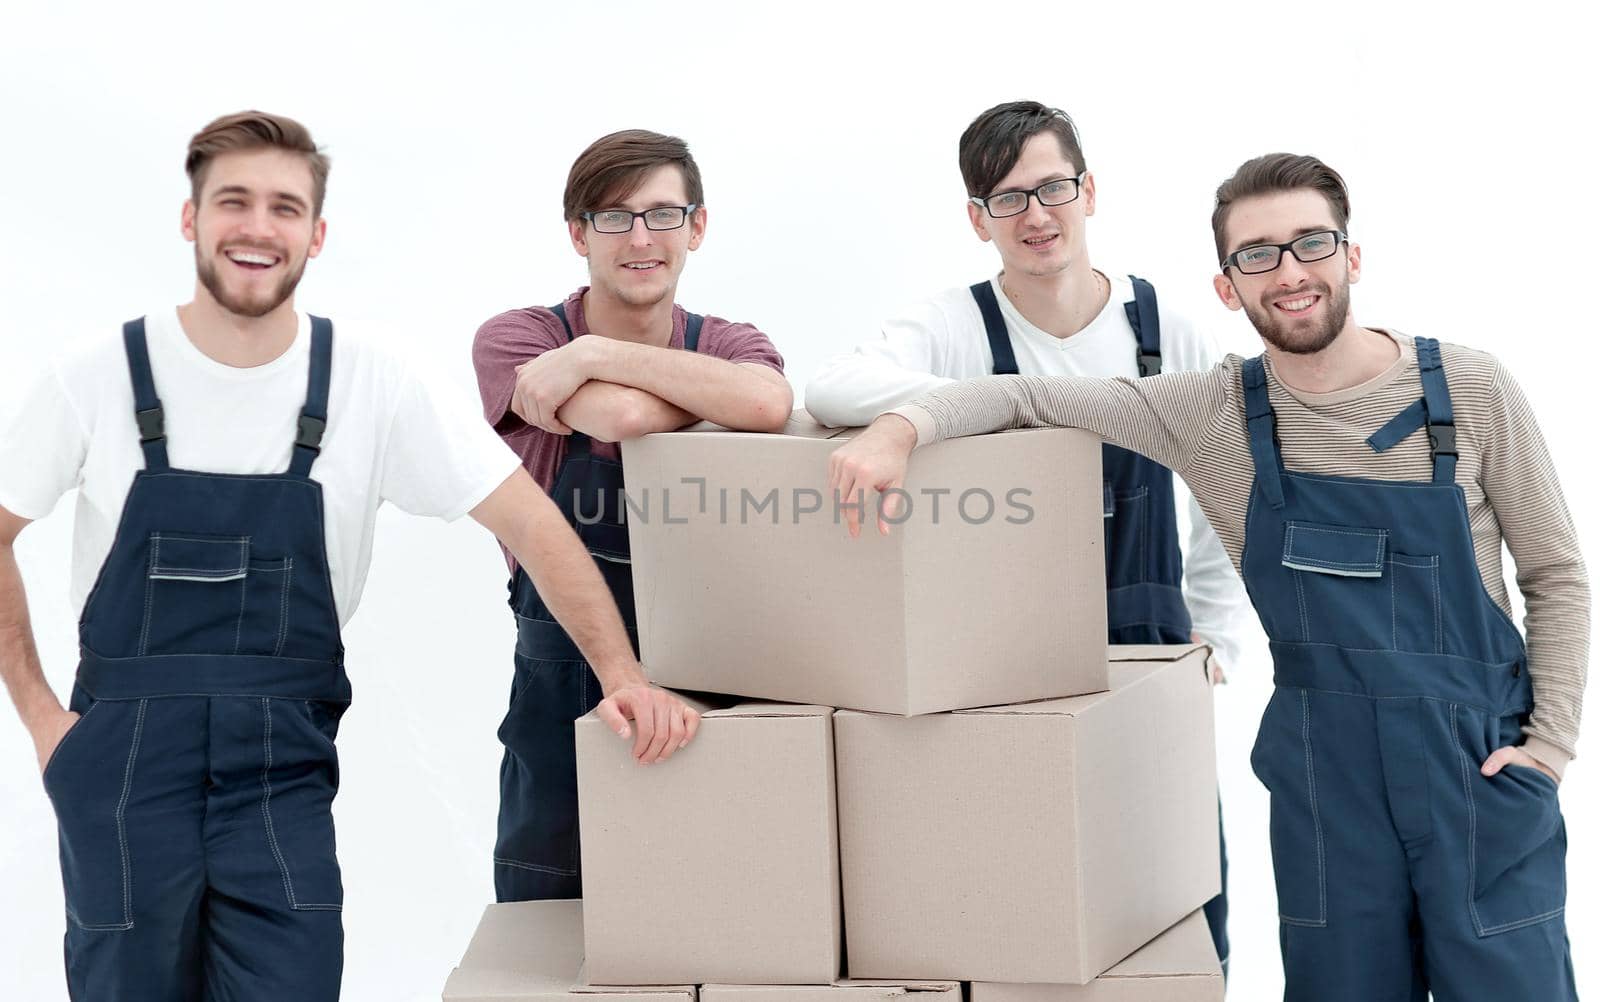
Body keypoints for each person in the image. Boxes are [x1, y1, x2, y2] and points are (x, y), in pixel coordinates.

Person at [826, 152, 1584, 1001]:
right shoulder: (1212, 411)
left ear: (1352, 257)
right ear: (1228, 287)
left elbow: (1556, 572)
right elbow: (1015, 398)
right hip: (1326, 780)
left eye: (1311, 244)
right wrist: (899, 429)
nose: (1289, 273)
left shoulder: (1468, 389)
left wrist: (1548, 747)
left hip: (1476, 769)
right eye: (1257, 255)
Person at [0, 111, 698, 1002]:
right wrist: (42, 720)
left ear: (316, 233)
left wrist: (622, 673)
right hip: (122, 768)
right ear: (191, 219)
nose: (259, 226)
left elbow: (532, 524)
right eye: (234, 201)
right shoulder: (96, 376)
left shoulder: (370, 380)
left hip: (279, 774)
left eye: (285, 207)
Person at [805, 100, 1247, 972]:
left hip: (1149, 655)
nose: (1036, 216)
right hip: (1002, 667)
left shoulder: (1169, 331)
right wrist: (921, 418)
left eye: (1052, 188)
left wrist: (1218, 638)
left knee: (1173, 891)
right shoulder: (958, 326)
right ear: (978, 218)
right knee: (1017, 897)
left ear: (1090, 192)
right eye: (1009, 198)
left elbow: (1233, 492)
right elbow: (830, 388)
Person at [472, 128, 791, 902]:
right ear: (578, 234)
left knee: (712, 908)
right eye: (613, 218)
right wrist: (684, 393)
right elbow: (616, 417)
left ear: (697, 227)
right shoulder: (519, 339)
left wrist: (591, 356)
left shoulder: (730, 340)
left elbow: (767, 402)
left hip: (715, 673)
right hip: (565, 684)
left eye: (661, 214)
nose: (640, 238)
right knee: (553, 916)